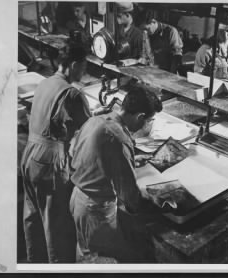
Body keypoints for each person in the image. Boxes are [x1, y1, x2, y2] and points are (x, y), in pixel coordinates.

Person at [69, 86, 163, 262]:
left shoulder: (96, 120)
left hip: (78, 198)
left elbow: (78, 152)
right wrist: (154, 205)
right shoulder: (118, 137)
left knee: (85, 250)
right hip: (95, 208)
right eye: (150, 121)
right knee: (99, 259)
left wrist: (126, 161)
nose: (147, 125)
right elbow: (129, 195)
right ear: (140, 117)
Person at [20, 42, 91, 263]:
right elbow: (90, 131)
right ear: (75, 64)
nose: (84, 72)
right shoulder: (71, 94)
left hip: (30, 155)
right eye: (84, 66)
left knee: (33, 217)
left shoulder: (45, 82)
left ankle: (34, 262)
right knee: (56, 225)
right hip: (50, 163)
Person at [194, 12, 228, 86]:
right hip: (215, 92)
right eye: (221, 31)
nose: (225, 36)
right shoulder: (205, 51)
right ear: (216, 27)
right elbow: (197, 79)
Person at [139, 9, 183, 74]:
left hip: (168, 71)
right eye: (143, 30)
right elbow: (146, 53)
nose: (145, 32)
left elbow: (177, 55)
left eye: (147, 29)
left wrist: (171, 74)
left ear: (153, 21)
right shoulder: (148, 34)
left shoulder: (171, 31)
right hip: (154, 70)